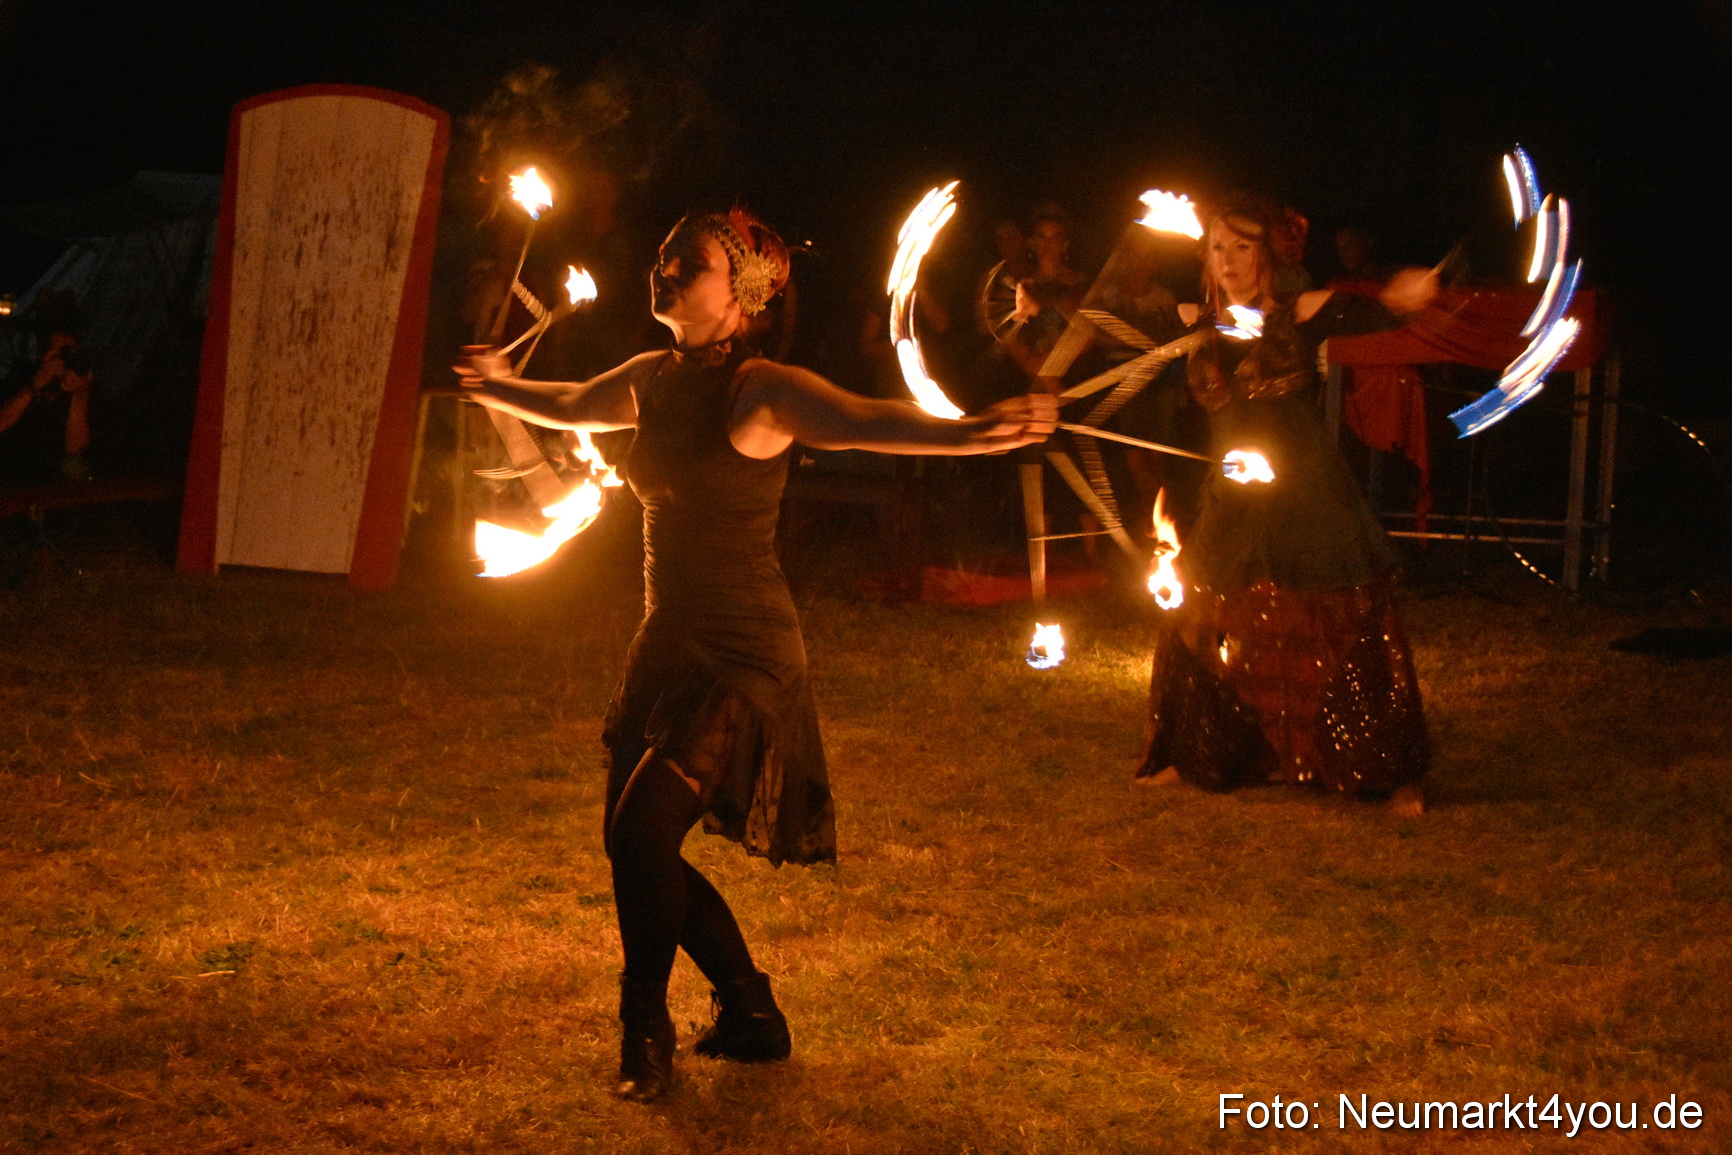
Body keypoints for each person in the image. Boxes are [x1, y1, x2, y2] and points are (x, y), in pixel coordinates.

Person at [455, 208, 1056, 1102]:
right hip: (668, 640)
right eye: (661, 256)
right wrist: (498, 385)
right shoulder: (652, 377)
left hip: (744, 651)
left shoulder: (761, 388)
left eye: (684, 262)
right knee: (631, 845)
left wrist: (966, 433)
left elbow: (859, 420)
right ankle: (750, 1010)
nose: (661, 270)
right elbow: (575, 401)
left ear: (740, 293)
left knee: (643, 831)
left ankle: (644, 1028)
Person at [1135, 193, 1434, 818]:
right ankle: (1198, 752)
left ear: (1269, 253)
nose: (1229, 260)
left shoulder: (1301, 311)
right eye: (1218, 248)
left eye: (1243, 247)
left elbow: (1372, 312)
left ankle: (1390, 770)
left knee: (1344, 616)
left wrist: (1402, 296)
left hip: (1306, 484)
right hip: (1233, 490)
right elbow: (1104, 323)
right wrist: (1029, 312)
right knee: (1195, 613)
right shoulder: (1193, 319)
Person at [0, 331, 93, 483]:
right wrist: (35, 384)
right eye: (57, 354)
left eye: (68, 354)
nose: (62, 361)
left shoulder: (80, 384)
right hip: (10, 456)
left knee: (75, 467)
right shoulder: (20, 377)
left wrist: (79, 393)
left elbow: (75, 447)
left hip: (53, 465)